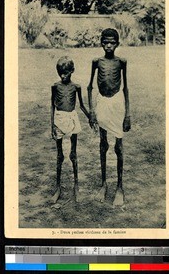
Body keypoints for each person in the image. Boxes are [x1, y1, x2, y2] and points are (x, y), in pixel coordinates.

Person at [87, 28, 131, 207]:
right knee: (103, 144)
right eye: (105, 42)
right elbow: (90, 87)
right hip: (102, 103)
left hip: (117, 103)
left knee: (118, 147)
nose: (108, 45)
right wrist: (91, 110)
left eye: (112, 42)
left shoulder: (122, 62)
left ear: (117, 44)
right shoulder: (96, 62)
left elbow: (126, 88)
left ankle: (119, 187)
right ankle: (103, 184)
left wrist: (128, 114)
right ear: (101, 43)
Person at [51, 56, 89, 203]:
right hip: (59, 119)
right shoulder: (55, 86)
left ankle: (76, 186)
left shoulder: (76, 87)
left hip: (72, 119)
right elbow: (52, 105)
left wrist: (90, 117)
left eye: (65, 72)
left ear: (72, 71)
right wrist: (52, 125)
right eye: (60, 72)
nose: (62, 75)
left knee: (73, 154)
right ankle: (58, 188)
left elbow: (81, 106)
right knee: (60, 156)